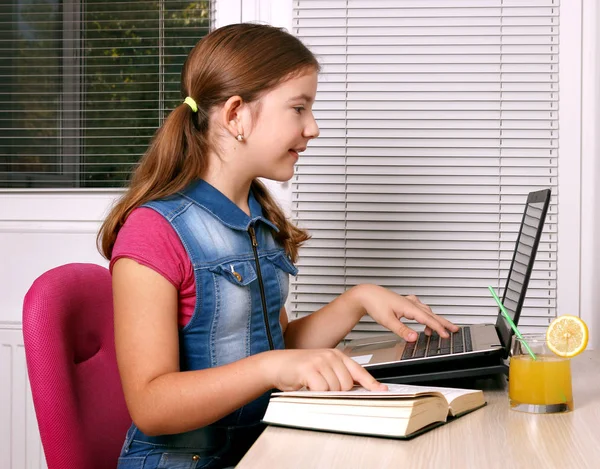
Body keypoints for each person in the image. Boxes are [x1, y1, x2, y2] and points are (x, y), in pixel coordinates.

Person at [98, 23, 459, 469]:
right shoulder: (153, 231)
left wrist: (358, 299)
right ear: (236, 116)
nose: (314, 127)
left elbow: (277, 343)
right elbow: (152, 407)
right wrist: (273, 368)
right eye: (298, 108)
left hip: (261, 448)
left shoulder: (259, 218)